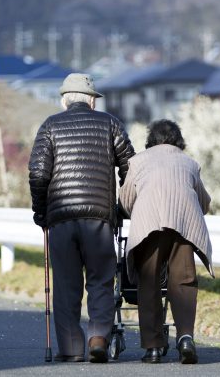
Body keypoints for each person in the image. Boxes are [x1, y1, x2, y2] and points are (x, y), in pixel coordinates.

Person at [28, 73, 135, 363]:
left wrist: (41, 212)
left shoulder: (50, 125)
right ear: (91, 100)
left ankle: (73, 348)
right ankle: (98, 336)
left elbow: (38, 174)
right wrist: (123, 205)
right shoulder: (110, 123)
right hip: (100, 218)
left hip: (61, 219)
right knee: (100, 279)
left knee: (65, 284)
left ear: (65, 101)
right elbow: (131, 167)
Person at [119, 119, 214, 364]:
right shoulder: (189, 163)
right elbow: (204, 203)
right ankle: (185, 337)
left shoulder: (138, 161)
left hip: (149, 224)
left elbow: (127, 200)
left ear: (151, 140)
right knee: (183, 280)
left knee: (148, 282)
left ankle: (152, 347)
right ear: (178, 140)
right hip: (183, 224)